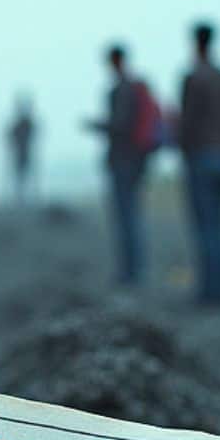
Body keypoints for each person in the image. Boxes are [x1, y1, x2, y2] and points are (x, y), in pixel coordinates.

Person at [178, 21, 220, 305]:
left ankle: (209, 291)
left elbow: (188, 122)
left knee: (205, 226)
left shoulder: (193, 78)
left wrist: (183, 148)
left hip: (201, 157)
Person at [87, 43, 152, 285]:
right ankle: (135, 269)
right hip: (137, 159)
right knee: (133, 214)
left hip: (123, 159)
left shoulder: (121, 90)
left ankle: (131, 272)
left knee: (126, 216)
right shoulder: (136, 87)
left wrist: (98, 126)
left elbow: (120, 125)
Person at [7, 95, 37, 206]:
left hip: (24, 151)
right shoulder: (22, 124)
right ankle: (21, 197)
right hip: (20, 152)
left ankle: (24, 197)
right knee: (20, 175)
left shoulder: (25, 123)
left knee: (24, 175)